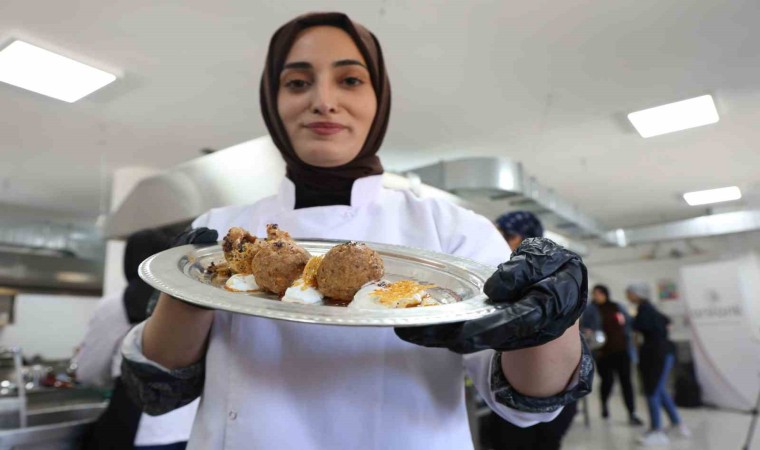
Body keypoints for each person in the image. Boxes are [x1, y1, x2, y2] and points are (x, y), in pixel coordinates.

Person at [120, 13, 592, 450]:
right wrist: (190, 286)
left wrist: (553, 319)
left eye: (349, 80)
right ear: (273, 98)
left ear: (378, 97)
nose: (324, 101)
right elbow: (158, 391)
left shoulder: (452, 232)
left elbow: (527, 402)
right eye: (298, 82)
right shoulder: (218, 229)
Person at [76, 229, 198, 450]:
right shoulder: (193, 297)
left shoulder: (116, 305)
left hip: (131, 415)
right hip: (189, 427)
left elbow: (89, 372)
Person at [484, 211, 579, 450]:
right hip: (540, 393)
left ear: (515, 238)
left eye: (498, 232)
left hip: (540, 393)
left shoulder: (528, 279)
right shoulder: (558, 276)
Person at [625, 283, 690, 446]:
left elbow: (637, 326)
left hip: (657, 354)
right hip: (662, 353)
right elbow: (666, 321)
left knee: (651, 392)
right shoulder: (648, 309)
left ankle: (657, 431)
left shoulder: (645, 311)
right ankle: (677, 424)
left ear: (637, 294)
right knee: (659, 390)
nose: (627, 295)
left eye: (629, 293)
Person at [582, 284, 643, 425]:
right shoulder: (591, 310)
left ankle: (632, 413)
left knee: (626, 383)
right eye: (594, 293)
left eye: (598, 293)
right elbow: (585, 328)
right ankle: (604, 405)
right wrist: (588, 333)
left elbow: (628, 323)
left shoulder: (617, 307)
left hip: (622, 350)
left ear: (605, 294)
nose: (596, 296)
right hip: (603, 353)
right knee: (607, 382)